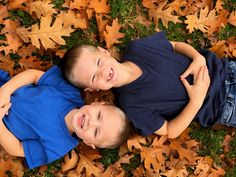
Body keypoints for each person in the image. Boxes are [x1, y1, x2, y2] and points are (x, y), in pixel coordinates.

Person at [61, 31, 235, 139]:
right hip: (221, 105)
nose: (103, 71)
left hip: (224, 69)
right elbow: (169, 130)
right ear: (93, 89)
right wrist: (195, 102)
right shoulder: (131, 106)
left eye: (98, 62)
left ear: (103, 51)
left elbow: (173, 46)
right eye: (93, 77)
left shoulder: (137, 48)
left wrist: (197, 57)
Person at [0, 66, 130, 169]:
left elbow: (17, 148)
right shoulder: (69, 92)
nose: (91, 122)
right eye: (99, 115)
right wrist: (5, 91)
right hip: (6, 86)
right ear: (96, 104)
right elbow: (34, 75)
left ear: (89, 143)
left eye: (96, 132)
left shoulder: (57, 147)